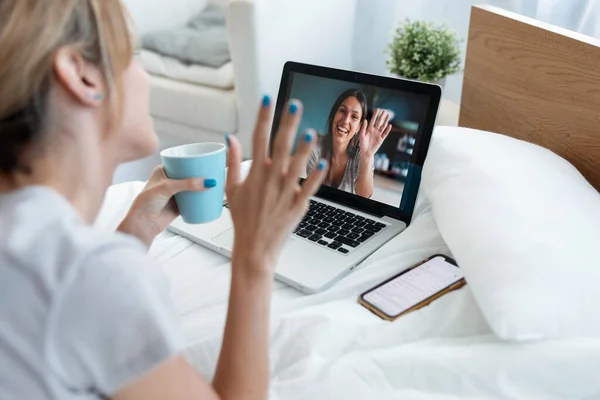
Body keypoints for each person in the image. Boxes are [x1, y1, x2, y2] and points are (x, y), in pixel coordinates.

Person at [0, 1, 327, 399]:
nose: (145, 77)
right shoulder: (86, 272)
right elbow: (79, 288)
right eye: (134, 56)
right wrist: (253, 260)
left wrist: (133, 234)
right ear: (82, 76)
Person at [306, 89, 392, 198]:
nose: (346, 120)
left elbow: (364, 195)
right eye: (342, 111)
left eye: (354, 117)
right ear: (333, 115)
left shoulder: (361, 154)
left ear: (359, 127)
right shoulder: (316, 147)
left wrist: (367, 157)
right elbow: (316, 194)